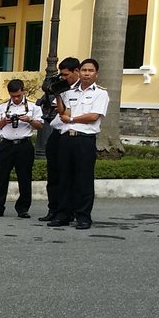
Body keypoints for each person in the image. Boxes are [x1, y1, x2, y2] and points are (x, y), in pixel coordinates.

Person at [50, 56, 108, 230]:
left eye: (90, 71)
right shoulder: (69, 92)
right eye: (84, 70)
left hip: (84, 140)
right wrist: (58, 95)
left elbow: (93, 116)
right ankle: (63, 214)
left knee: (83, 179)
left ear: (96, 74)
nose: (86, 74)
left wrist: (72, 118)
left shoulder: (100, 93)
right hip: (67, 138)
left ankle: (83, 216)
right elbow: (62, 112)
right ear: (79, 72)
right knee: (64, 177)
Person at [0, 79, 42, 218]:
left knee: (24, 176)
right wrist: (4, 121)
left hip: (24, 144)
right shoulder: (2, 107)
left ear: (23, 91)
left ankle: (23, 208)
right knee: (1, 176)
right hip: (6, 144)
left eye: (18, 95)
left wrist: (28, 119)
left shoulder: (33, 106)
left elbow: (40, 126)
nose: (16, 98)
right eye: (13, 96)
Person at [38, 57, 80, 223]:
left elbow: (67, 115)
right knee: (53, 174)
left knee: (67, 175)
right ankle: (53, 208)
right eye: (61, 75)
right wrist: (57, 92)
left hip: (71, 133)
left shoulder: (81, 90)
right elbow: (58, 110)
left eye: (66, 74)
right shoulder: (62, 88)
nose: (63, 78)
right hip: (57, 132)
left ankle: (68, 211)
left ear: (76, 71)